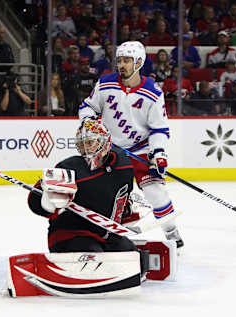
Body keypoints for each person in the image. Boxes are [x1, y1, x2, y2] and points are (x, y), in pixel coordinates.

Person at [78, 41, 184, 249]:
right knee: (112, 194)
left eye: (127, 60)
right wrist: (89, 121)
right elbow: (87, 107)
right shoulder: (106, 83)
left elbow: (159, 129)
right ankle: (119, 232)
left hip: (141, 150)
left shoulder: (153, 91)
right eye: (119, 60)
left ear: (139, 62)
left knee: (156, 192)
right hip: (110, 150)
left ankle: (171, 231)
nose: (122, 65)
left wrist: (159, 154)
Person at [27, 120, 144, 253]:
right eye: (81, 145)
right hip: (70, 234)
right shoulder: (70, 168)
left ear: (105, 142)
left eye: (90, 143)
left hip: (106, 235)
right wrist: (46, 196)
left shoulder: (124, 166)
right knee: (95, 255)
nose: (86, 149)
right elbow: (35, 203)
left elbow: (120, 200)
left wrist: (128, 209)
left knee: (133, 256)